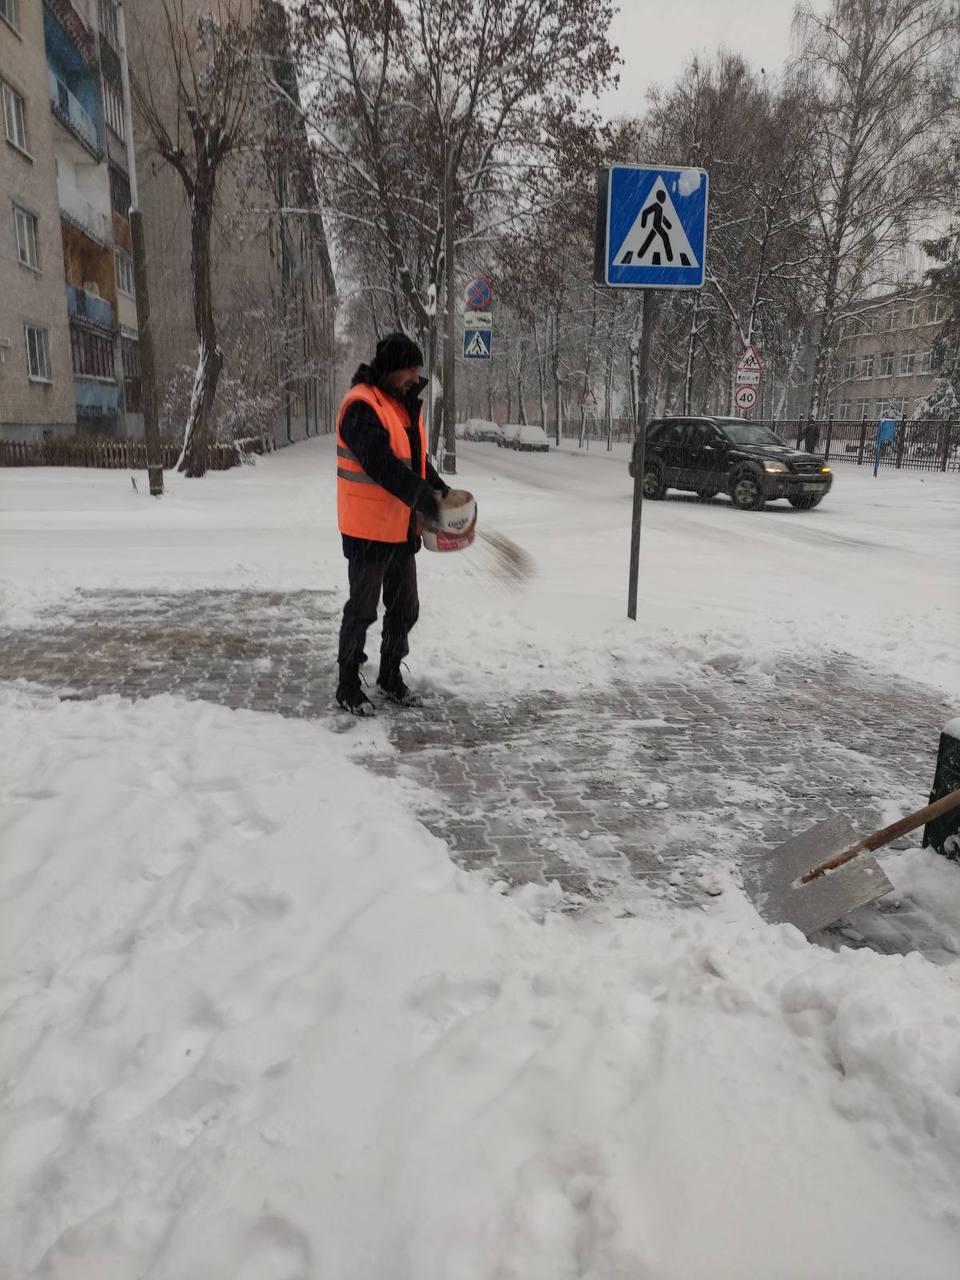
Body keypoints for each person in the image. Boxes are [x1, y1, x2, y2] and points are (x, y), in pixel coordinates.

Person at [335, 332, 449, 715]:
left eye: (417, 370)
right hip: (368, 531)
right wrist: (421, 497)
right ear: (389, 369)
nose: (415, 378)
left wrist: (439, 490)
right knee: (362, 610)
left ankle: (389, 676)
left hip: (400, 529)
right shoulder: (361, 406)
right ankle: (348, 684)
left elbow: (414, 461)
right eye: (408, 370)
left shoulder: (401, 406)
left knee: (405, 609)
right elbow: (380, 464)